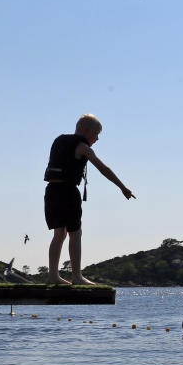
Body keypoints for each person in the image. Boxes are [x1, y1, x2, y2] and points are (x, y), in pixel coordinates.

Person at [44, 114, 134, 285]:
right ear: (86, 131)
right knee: (75, 233)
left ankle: (53, 276)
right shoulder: (82, 147)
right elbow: (103, 168)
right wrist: (122, 187)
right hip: (67, 192)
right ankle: (77, 277)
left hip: (51, 191)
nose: (97, 138)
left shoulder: (59, 141)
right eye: (96, 134)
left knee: (59, 234)